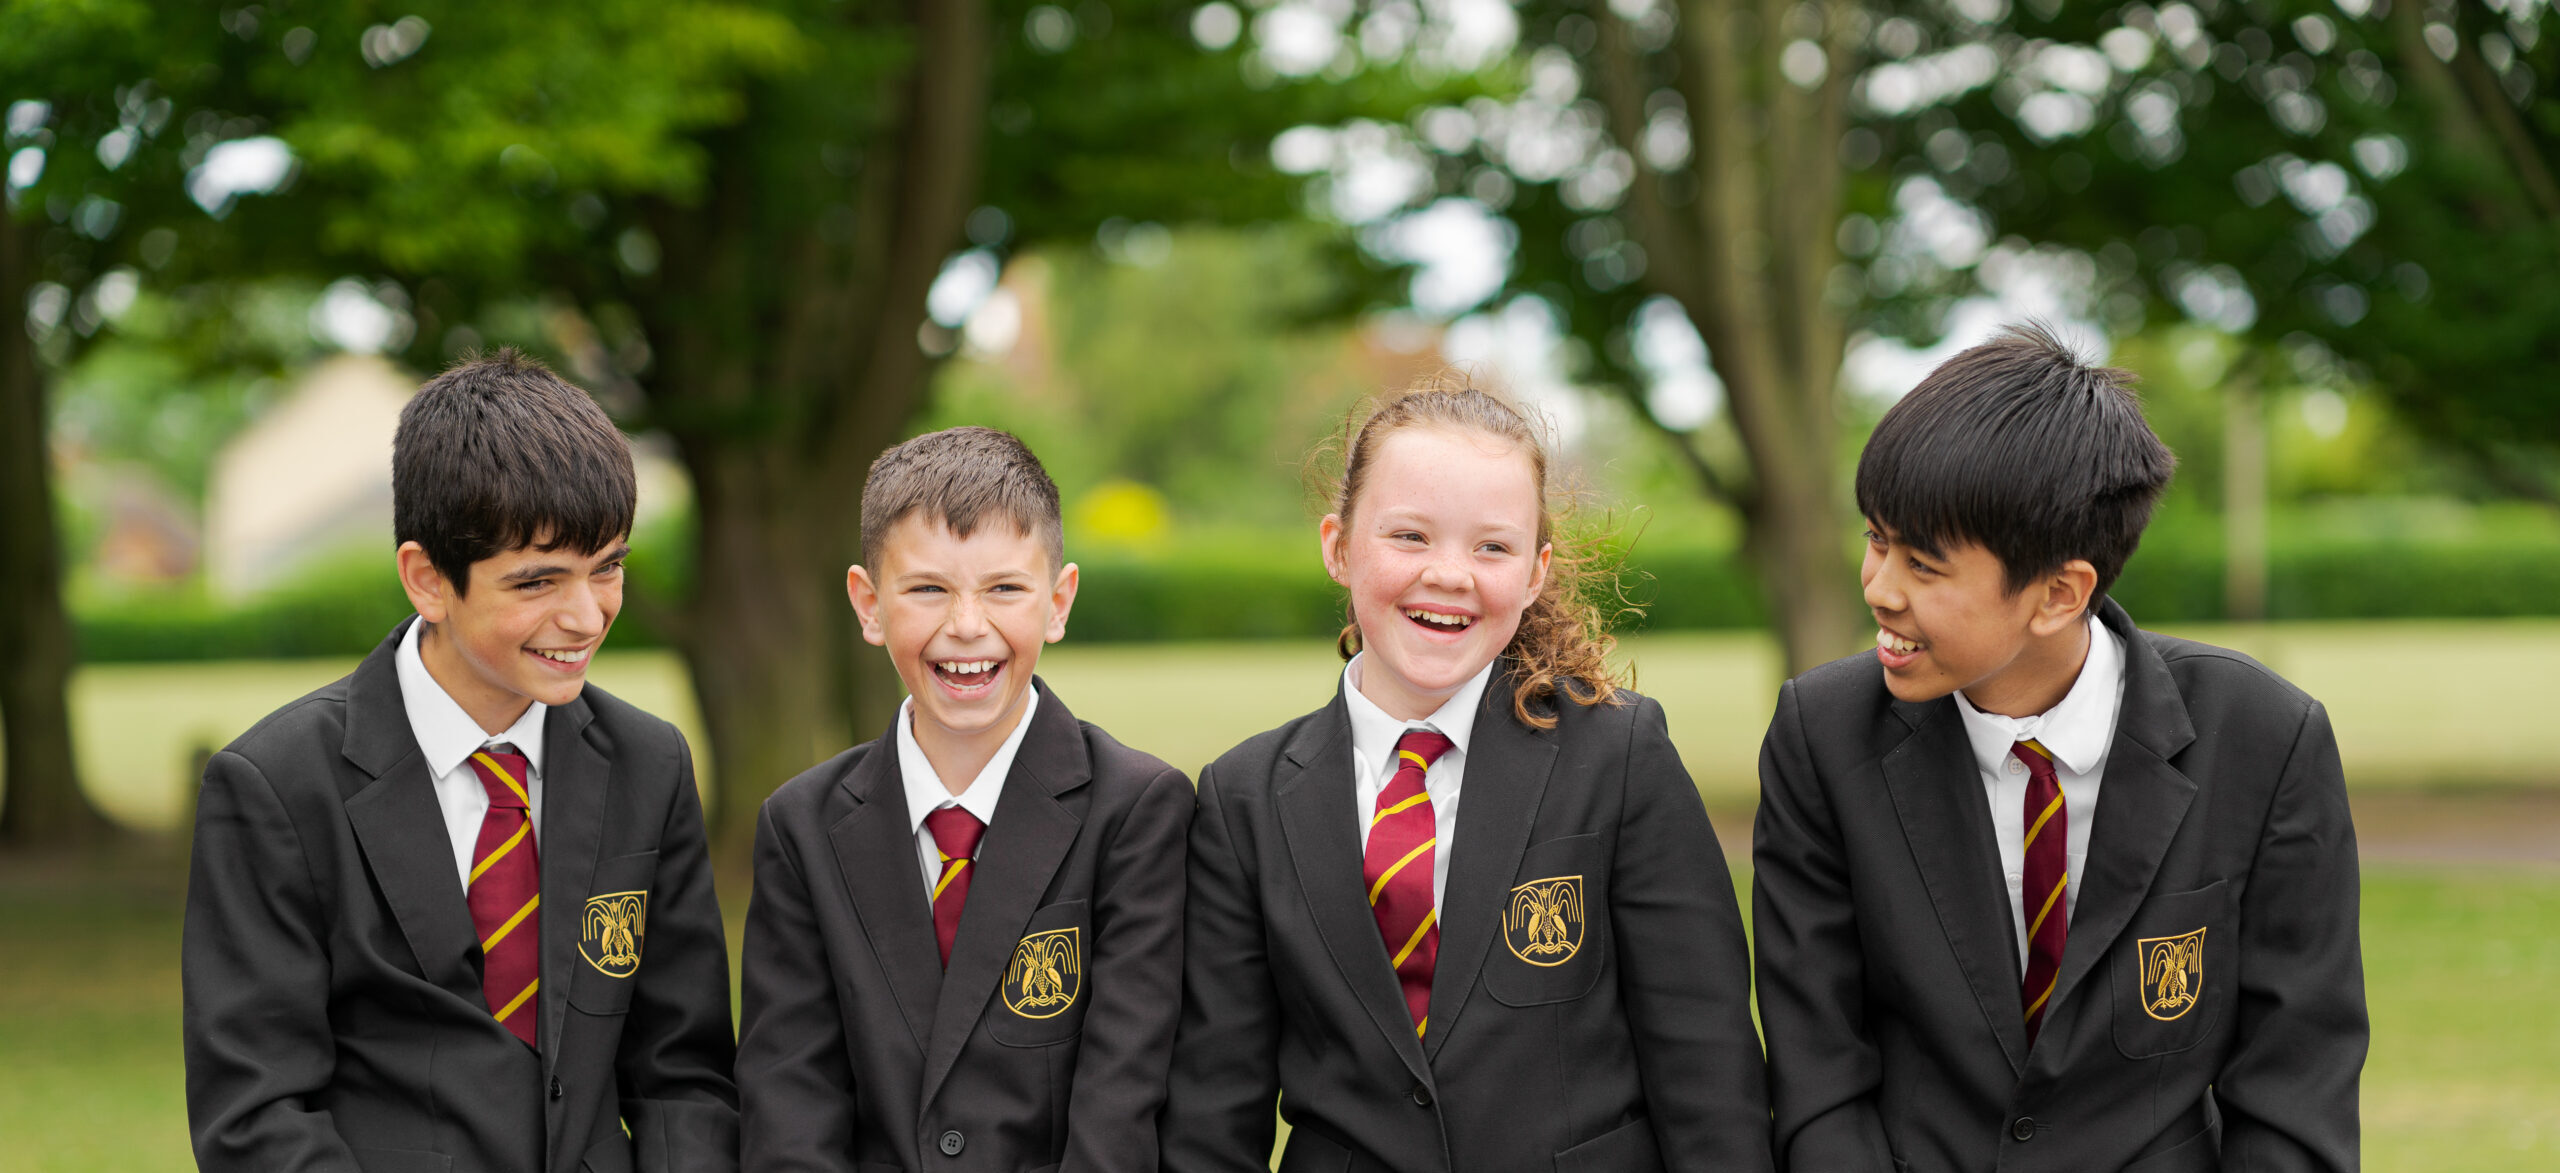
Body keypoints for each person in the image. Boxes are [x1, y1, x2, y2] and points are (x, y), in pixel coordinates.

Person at [1754, 325, 2365, 1172]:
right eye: (1875, 538)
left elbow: (2297, 1087)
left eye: (1924, 566)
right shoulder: (1819, 735)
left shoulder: (2265, 737)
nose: (1880, 588)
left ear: (2058, 593)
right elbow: (1819, 1070)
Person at [1161, 381, 1773, 1173]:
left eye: (1492, 546)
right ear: (1338, 546)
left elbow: (1706, 1065)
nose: (1449, 574)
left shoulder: (1618, 756)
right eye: (1409, 536)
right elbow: (1216, 1106)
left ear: (1535, 571)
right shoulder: (1243, 797)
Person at [183, 349, 738, 1172]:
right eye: (538, 581)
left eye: (608, 567)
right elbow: (257, 1114)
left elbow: (683, 1075)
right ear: (428, 579)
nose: (586, 615)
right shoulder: (276, 785)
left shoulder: (648, 764)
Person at [737, 426, 1193, 1172]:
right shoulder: (802, 827)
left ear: (1059, 600)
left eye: (1005, 588)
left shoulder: (1136, 813)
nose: (967, 626)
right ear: (868, 602)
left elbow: (1121, 1107)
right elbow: (791, 1103)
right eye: (927, 589)